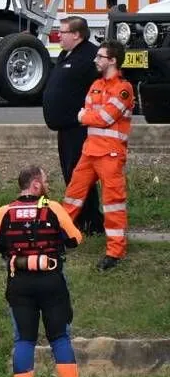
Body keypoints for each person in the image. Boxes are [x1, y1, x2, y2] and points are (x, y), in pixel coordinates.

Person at [0, 166, 86, 377]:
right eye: (45, 180)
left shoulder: (4, 211)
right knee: (60, 337)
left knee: (24, 340)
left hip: (19, 283)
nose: (48, 184)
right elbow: (75, 239)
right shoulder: (53, 208)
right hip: (51, 280)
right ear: (35, 185)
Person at [61, 40, 134, 271]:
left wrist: (86, 116)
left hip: (110, 155)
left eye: (100, 57)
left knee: (113, 204)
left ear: (112, 60)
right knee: (71, 198)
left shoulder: (124, 88)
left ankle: (115, 252)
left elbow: (102, 117)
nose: (95, 59)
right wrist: (89, 115)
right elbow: (91, 112)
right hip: (90, 151)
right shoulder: (96, 84)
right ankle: (58, 239)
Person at [42, 16, 104, 237]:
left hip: (79, 128)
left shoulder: (90, 56)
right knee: (70, 173)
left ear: (77, 34)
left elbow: (101, 87)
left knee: (81, 174)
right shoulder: (65, 55)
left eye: (64, 31)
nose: (59, 34)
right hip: (63, 128)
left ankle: (91, 222)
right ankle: (80, 220)